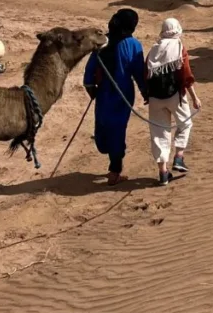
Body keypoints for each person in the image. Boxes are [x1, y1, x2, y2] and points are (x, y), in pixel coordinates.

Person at [84, 9, 147, 186]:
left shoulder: (102, 44)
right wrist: (145, 92)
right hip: (122, 95)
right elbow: (139, 73)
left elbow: (89, 72)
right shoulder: (133, 45)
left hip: (103, 95)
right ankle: (114, 170)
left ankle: (114, 168)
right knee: (117, 130)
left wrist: (91, 90)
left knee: (103, 124)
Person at [145, 17, 201, 187]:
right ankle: (179, 156)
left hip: (155, 98)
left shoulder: (153, 51)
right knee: (185, 123)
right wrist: (194, 98)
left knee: (159, 133)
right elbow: (186, 77)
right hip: (175, 96)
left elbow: (145, 75)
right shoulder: (179, 48)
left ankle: (163, 173)